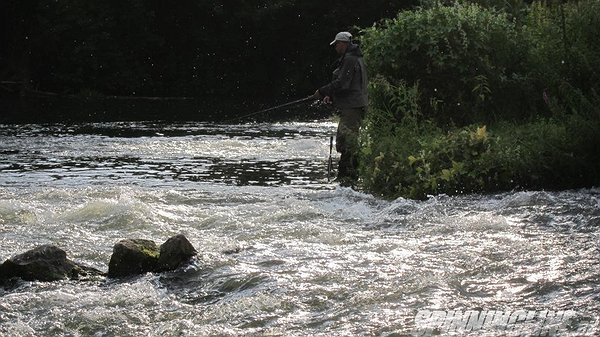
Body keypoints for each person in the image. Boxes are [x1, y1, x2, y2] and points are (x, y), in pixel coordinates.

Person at [313, 31, 368, 185]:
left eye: (337, 44)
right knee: (344, 141)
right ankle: (345, 177)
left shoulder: (350, 59)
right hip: (353, 105)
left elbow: (342, 83)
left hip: (353, 107)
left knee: (348, 142)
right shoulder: (354, 58)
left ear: (343, 43)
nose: (336, 47)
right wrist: (330, 95)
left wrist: (322, 91)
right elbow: (345, 83)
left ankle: (348, 178)